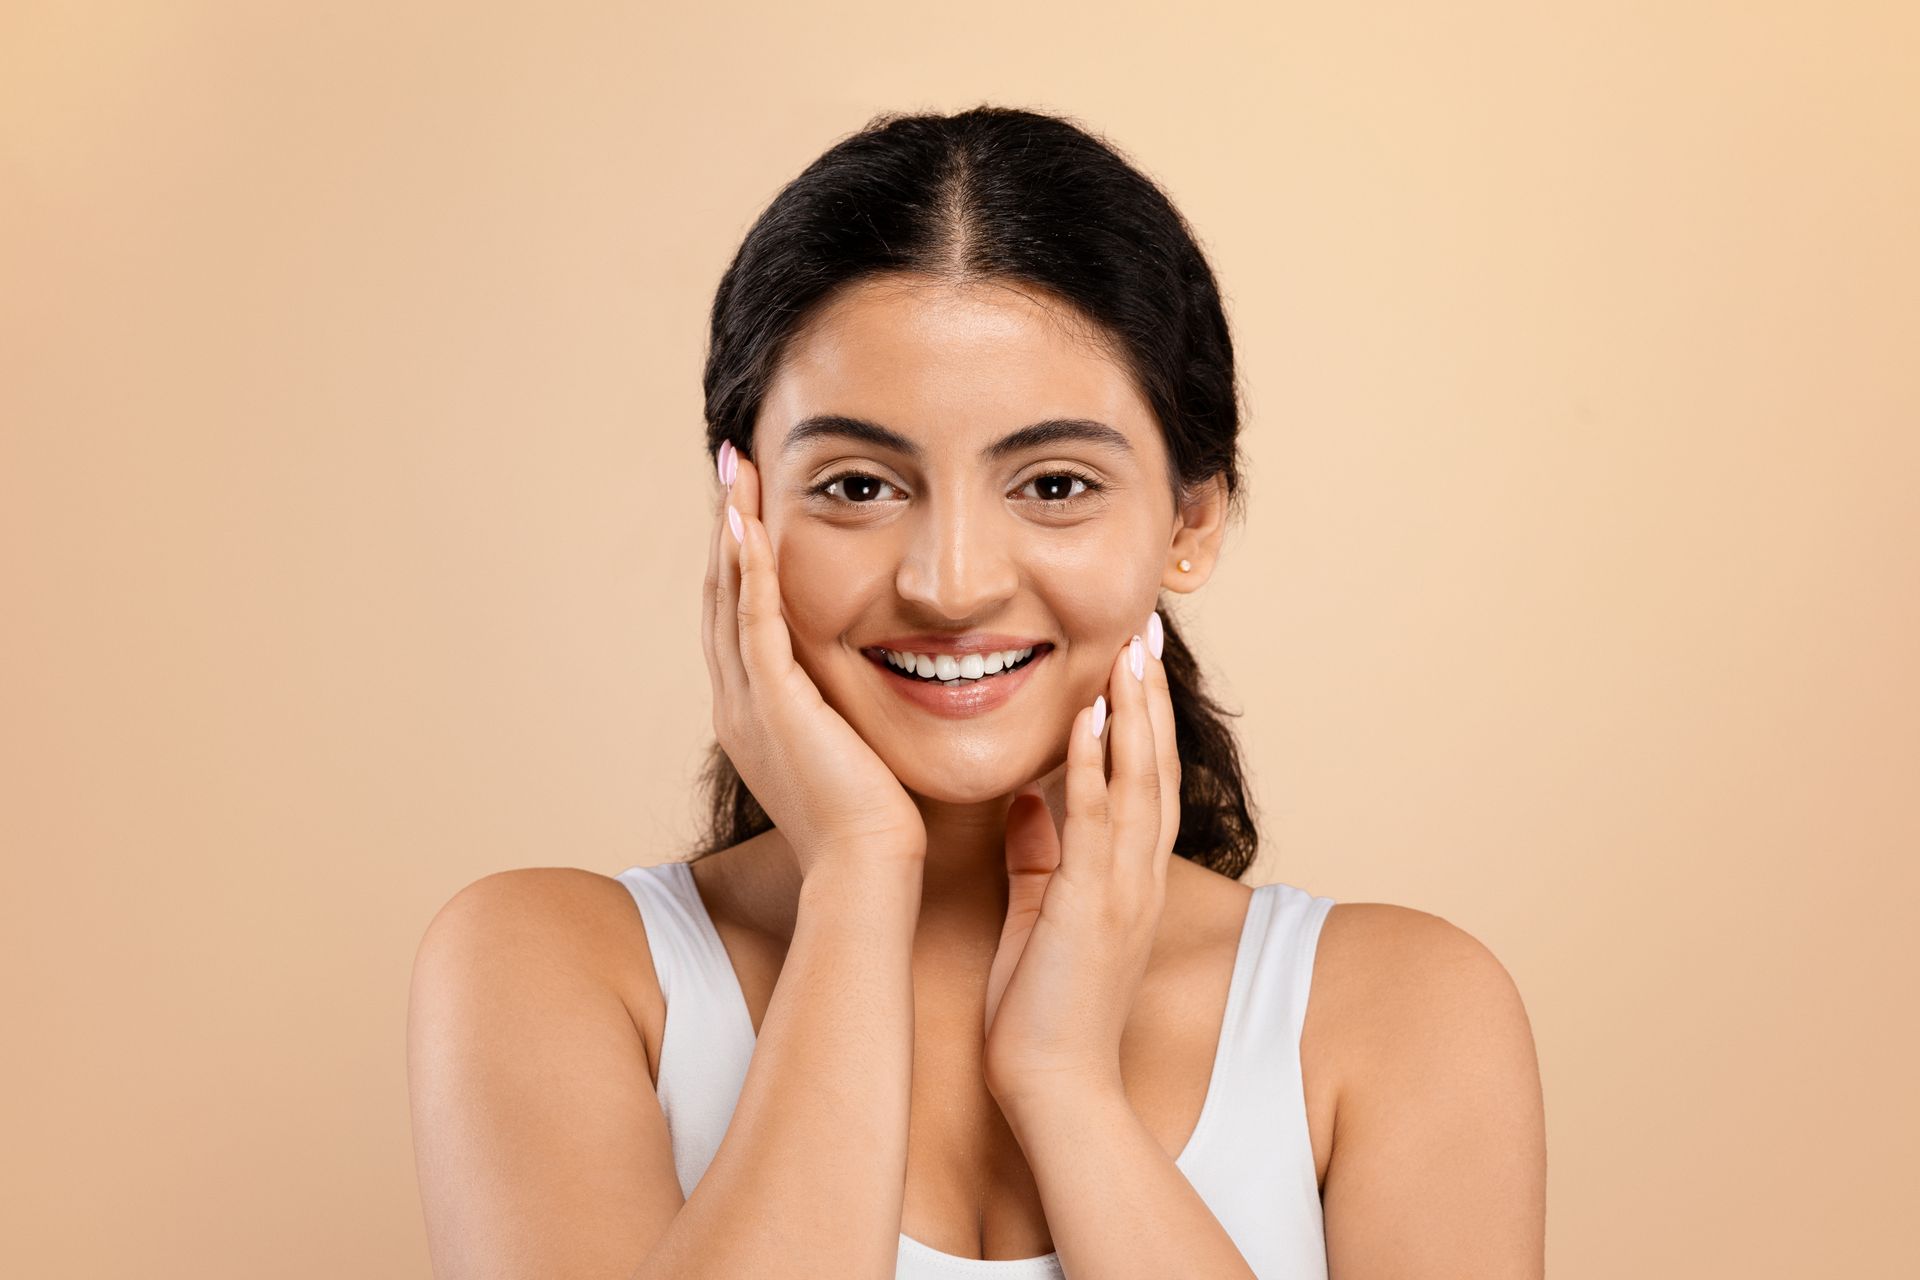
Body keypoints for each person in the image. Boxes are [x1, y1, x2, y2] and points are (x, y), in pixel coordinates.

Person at [407, 105, 1546, 1279]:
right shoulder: (553, 969)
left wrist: (1065, 1086)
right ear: (741, 509)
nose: (951, 583)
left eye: (1054, 482)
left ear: (1190, 519)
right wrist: (857, 877)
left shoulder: (1401, 1013)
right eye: (856, 484)